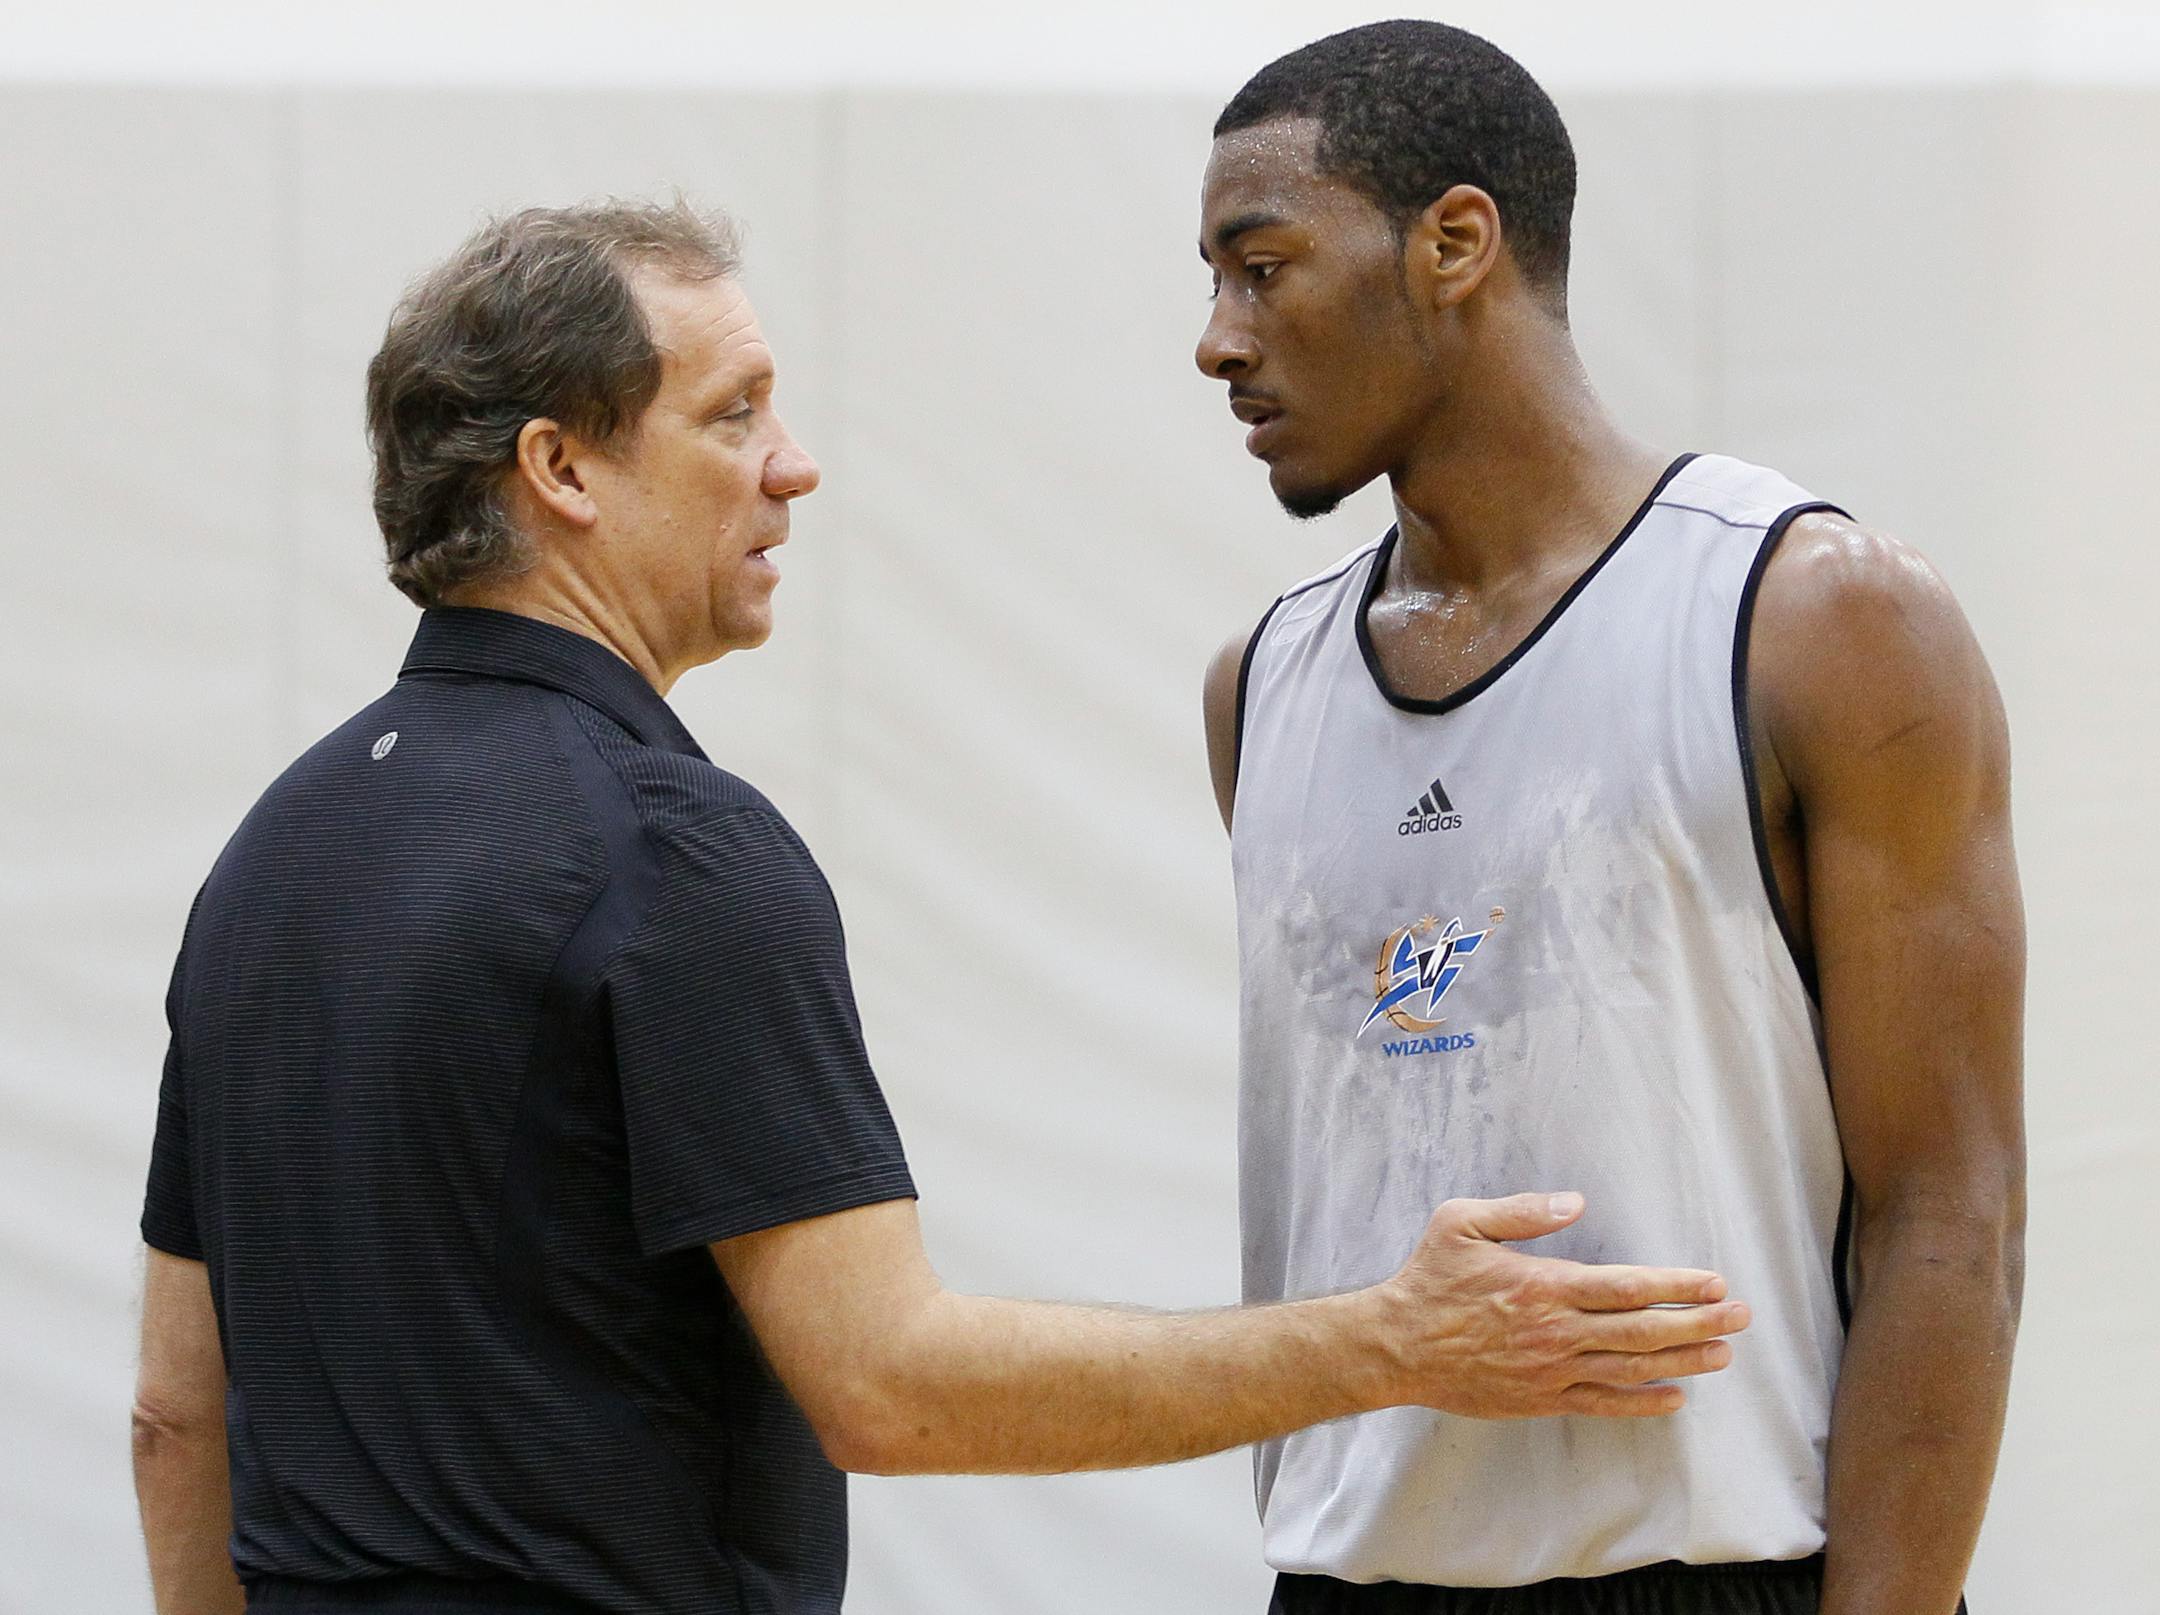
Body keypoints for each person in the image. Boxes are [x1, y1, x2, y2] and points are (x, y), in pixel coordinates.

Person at [130, 199, 1753, 1615]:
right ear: (560, 467)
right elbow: (891, 1388)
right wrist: (1397, 1341)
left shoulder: (264, 861)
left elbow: (173, 1420)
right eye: (733, 412)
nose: (793, 463)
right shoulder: (670, 848)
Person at [1196, 22, 2024, 1615]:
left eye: (1262, 266)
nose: (1219, 339)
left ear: (1455, 243)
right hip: (1349, 1575)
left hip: (1722, 1572)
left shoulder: (1822, 619)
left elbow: (1951, 1210)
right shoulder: (1260, 686)